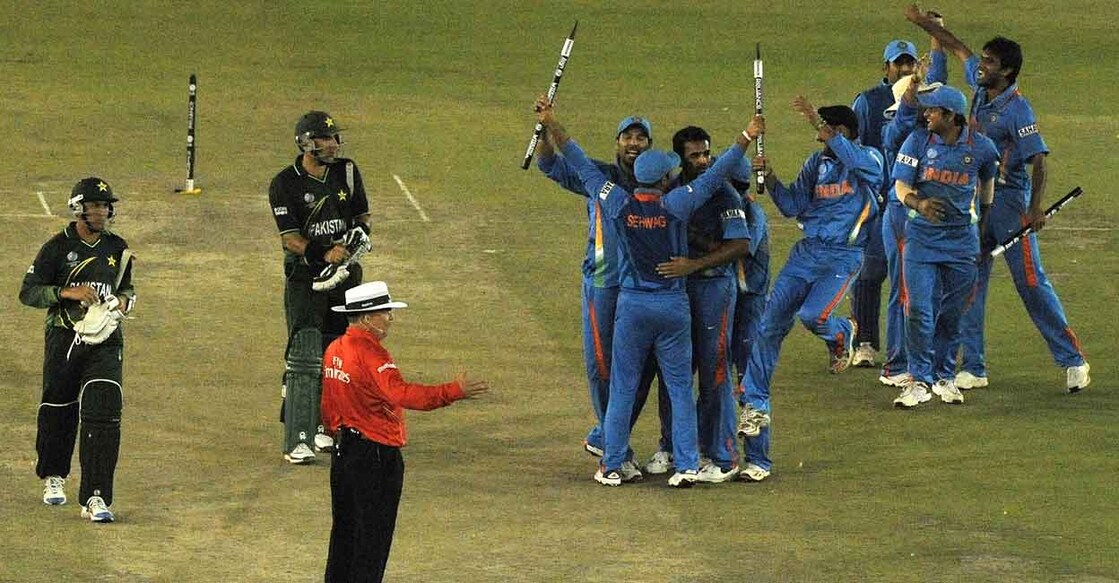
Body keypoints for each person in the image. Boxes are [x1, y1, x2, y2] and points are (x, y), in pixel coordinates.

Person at [537, 98, 762, 488]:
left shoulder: (618, 203)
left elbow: (577, 160)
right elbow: (716, 175)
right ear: (664, 180)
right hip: (674, 306)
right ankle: (687, 464)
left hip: (632, 305)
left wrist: (551, 122)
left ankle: (611, 462)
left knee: (623, 384)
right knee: (678, 386)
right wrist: (747, 135)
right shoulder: (677, 203)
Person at [906, 6, 1090, 392]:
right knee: (969, 280)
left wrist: (1035, 208)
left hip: (1011, 205)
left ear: (1006, 71)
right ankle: (973, 366)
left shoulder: (1018, 108)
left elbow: (1038, 159)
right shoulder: (979, 87)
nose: (980, 66)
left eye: (988, 62)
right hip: (977, 201)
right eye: (984, 60)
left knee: (1030, 283)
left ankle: (1073, 360)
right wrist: (928, 26)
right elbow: (959, 48)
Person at [737, 99, 884, 481]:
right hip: (806, 255)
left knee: (813, 316)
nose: (818, 136)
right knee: (768, 327)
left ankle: (843, 332)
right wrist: (769, 179)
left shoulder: (869, 160)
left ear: (843, 132)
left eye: (826, 130)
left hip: (843, 257)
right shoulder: (815, 165)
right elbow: (791, 206)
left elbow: (854, 160)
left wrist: (828, 131)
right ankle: (754, 403)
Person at [321, 281, 488, 583]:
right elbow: (404, 395)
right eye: (385, 311)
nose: (390, 318)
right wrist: (453, 391)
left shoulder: (334, 349)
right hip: (374, 457)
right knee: (372, 542)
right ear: (367, 317)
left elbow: (328, 404)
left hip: (343, 454)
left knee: (344, 536)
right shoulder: (373, 355)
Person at [534, 103, 659, 480]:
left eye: (640, 138)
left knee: (643, 368)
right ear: (618, 142)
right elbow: (551, 165)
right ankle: (613, 446)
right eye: (628, 137)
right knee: (603, 367)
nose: (634, 143)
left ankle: (606, 436)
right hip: (603, 284)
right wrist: (543, 135)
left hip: (644, 289)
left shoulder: (658, 180)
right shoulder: (598, 175)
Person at [19, 177, 136, 523]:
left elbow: (129, 290)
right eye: (94, 206)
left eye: (104, 206)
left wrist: (122, 302)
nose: (101, 211)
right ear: (78, 209)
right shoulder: (56, 248)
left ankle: (96, 497)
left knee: (104, 413)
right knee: (58, 408)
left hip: (106, 341)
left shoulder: (118, 247)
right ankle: (54, 476)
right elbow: (29, 292)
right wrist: (67, 293)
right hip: (64, 339)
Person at [641, 126, 752, 483]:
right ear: (680, 161)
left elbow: (740, 245)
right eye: (695, 156)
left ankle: (723, 455)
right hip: (678, 293)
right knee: (673, 371)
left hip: (713, 290)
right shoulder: (670, 192)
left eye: (706, 154)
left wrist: (694, 265)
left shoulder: (724, 195)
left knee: (714, 371)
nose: (704, 161)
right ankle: (672, 446)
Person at [269, 110, 373, 464]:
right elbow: (291, 240)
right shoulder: (285, 183)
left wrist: (359, 237)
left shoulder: (346, 171)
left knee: (338, 353)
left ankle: (326, 427)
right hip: (306, 279)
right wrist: (325, 254)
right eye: (325, 139)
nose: (333, 144)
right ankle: (297, 435)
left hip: (346, 278)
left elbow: (361, 216)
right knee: (305, 354)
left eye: (334, 138)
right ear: (305, 143)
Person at [890, 85, 1000, 407]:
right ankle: (918, 381)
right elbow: (900, 185)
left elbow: (988, 182)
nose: (926, 115)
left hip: (961, 243)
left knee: (952, 314)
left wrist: (985, 222)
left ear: (952, 116)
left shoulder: (981, 148)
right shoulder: (917, 141)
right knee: (920, 312)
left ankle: (944, 377)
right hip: (922, 238)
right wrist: (918, 204)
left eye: (933, 111)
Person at [850, 31, 948, 370]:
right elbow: (856, 148)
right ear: (886, 67)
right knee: (871, 270)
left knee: (910, 279)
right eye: (899, 63)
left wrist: (936, 35)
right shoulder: (869, 101)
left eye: (910, 62)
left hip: (909, 199)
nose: (906, 68)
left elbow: (940, 79)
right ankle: (864, 341)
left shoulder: (925, 100)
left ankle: (914, 352)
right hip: (880, 198)